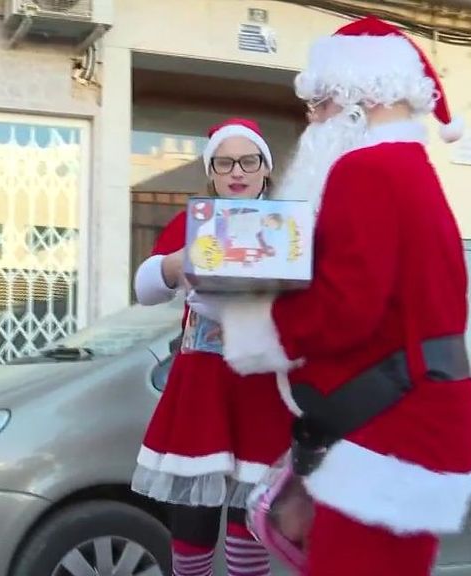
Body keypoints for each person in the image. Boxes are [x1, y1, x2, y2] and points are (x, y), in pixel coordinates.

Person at [205, 16, 471, 576]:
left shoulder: (367, 169)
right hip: (409, 426)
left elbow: (347, 307)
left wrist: (254, 321)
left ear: (357, 98)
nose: (313, 121)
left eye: (320, 103)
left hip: (390, 436)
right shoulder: (410, 169)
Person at [132, 118, 292, 576]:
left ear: (265, 168)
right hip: (201, 391)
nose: (236, 171)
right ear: (212, 172)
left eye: (248, 161)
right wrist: (174, 263)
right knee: (191, 526)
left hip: (261, 390)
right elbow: (146, 290)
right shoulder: (192, 222)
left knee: (250, 525)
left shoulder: (285, 225)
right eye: (224, 163)